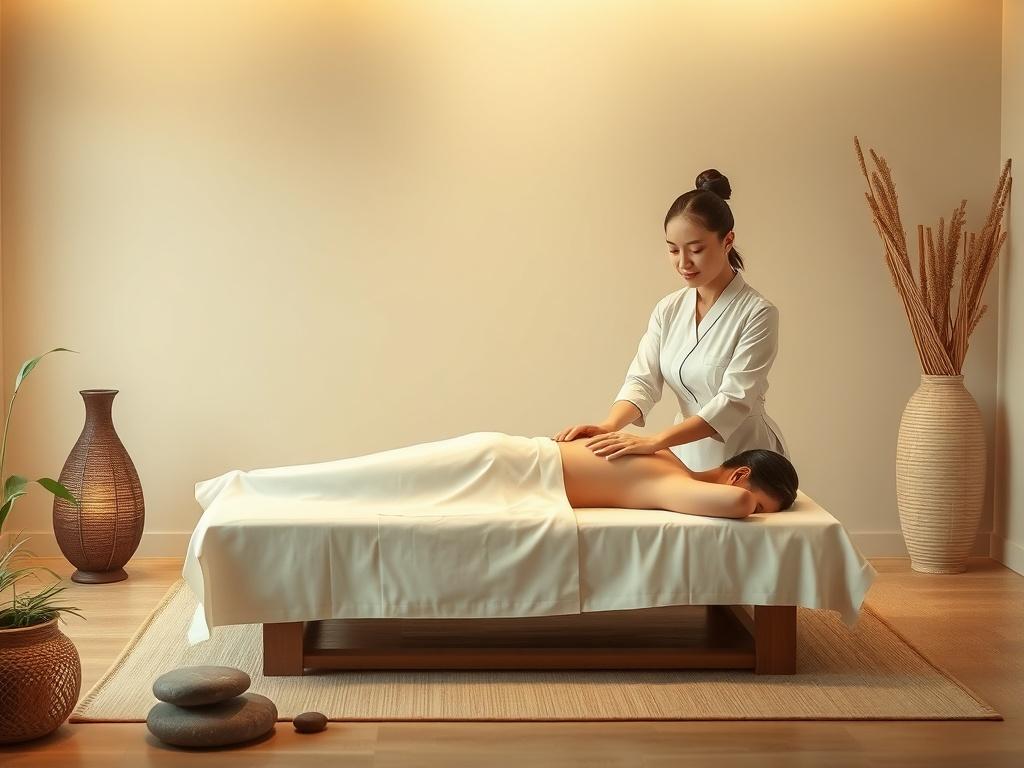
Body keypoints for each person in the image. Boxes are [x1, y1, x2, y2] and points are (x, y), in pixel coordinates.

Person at [555, 168, 790, 473]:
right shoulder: (668, 309)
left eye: (696, 249)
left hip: (745, 456)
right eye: (673, 250)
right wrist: (609, 426)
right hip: (683, 455)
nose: (683, 263)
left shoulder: (758, 313)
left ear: (728, 240)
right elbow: (642, 380)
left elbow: (734, 400)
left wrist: (655, 441)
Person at [554, 432, 797, 518]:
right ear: (739, 475)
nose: (750, 511)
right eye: (758, 508)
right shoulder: (674, 482)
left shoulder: (663, 453)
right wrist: (749, 505)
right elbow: (740, 502)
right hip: (530, 472)